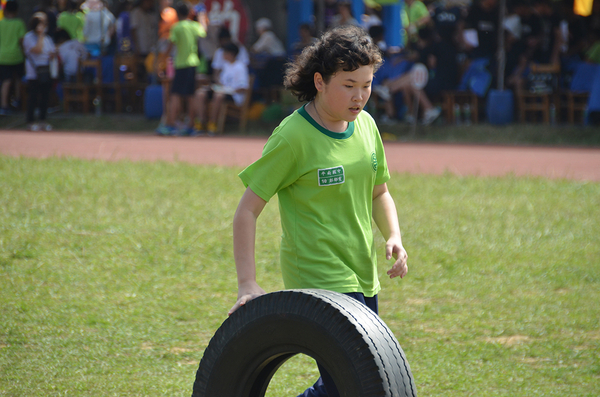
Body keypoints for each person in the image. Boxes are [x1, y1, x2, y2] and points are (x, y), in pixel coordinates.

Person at [226, 25, 408, 397]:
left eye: (367, 84)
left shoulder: (367, 127)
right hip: (319, 273)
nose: (360, 97)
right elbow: (246, 211)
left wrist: (394, 235)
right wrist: (247, 282)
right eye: (348, 85)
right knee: (352, 379)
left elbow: (380, 193)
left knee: (353, 378)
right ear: (320, 81)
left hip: (361, 271)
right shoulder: (292, 137)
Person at [156, 1, 206, 136]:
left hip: (181, 64)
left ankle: (171, 124)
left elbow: (170, 46)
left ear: (177, 14)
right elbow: (204, 31)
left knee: (175, 95)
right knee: (190, 95)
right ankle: (190, 125)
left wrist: (161, 62)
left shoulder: (176, 27)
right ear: (189, 13)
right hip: (193, 64)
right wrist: (201, 15)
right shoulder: (194, 26)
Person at [194, 42, 249, 135]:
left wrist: (228, 90)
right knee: (200, 93)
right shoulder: (226, 65)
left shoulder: (240, 67)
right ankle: (201, 122)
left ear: (231, 54)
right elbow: (222, 82)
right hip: (222, 90)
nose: (223, 55)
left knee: (218, 96)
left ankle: (213, 123)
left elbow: (243, 87)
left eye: (225, 53)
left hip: (234, 95)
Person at [23, 12, 57, 131]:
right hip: (34, 72)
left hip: (45, 71)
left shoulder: (48, 38)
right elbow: (37, 50)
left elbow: (52, 52)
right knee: (33, 97)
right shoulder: (29, 37)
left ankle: (43, 120)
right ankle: (30, 121)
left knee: (45, 97)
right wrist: (40, 36)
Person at [0, 0, 26, 115]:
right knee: (18, 79)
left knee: (6, 81)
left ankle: (4, 105)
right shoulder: (19, 23)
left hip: (2, 56)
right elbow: (21, 40)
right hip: (16, 55)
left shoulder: (1, 23)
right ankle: (17, 99)